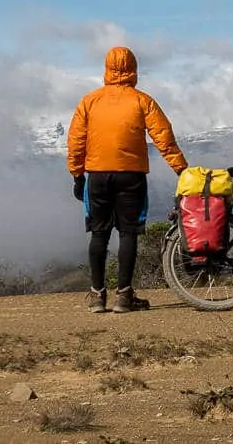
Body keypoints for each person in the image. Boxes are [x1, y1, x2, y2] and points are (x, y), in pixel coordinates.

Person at [67, 46, 189, 314]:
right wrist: (181, 169)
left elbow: (76, 141)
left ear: (106, 68)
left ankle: (97, 296)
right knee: (128, 233)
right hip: (131, 177)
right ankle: (124, 296)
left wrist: (77, 175)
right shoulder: (142, 101)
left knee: (98, 233)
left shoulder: (90, 101)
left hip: (97, 176)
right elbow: (163, 137)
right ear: (134, 68)